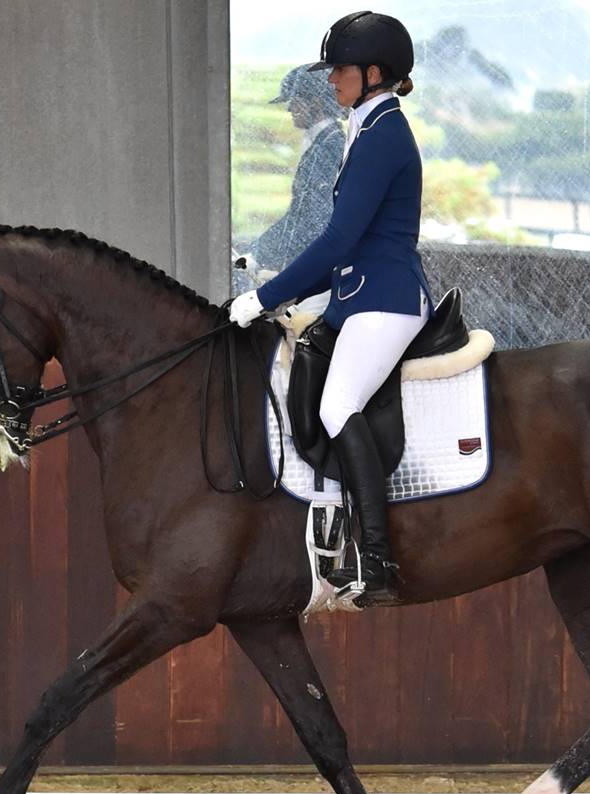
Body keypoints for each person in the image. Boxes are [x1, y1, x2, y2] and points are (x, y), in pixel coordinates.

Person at [229, 10, 432, 597]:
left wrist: (265, 297)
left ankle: (380, 561)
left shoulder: (385, 134)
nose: (330, 80)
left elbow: (340, 239)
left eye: (339, 69)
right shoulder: (363, 127)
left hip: (386, 299)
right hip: (355, 298)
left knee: (339, 402)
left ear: (374, 73)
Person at [249, 66, 345, 274]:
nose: (289, 109)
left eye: (295, 102)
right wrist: (258, 251)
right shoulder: (324, 143)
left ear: (316, 103)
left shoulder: (330, 147)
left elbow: (314, 220)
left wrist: (259, 254)